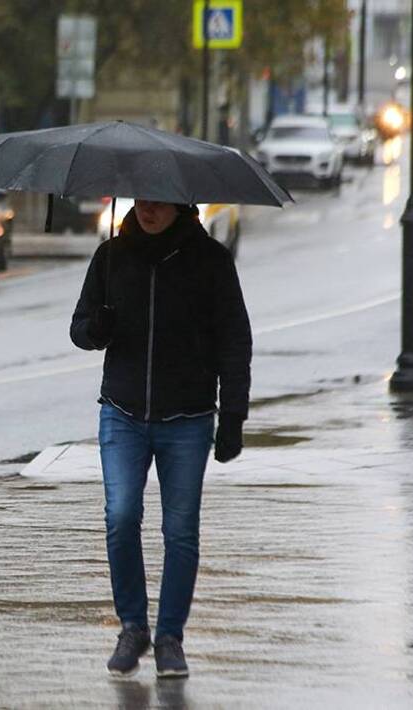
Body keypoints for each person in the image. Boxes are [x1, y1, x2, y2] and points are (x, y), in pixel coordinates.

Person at [69, 200, 252, 680]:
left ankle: (170, 637)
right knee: (121, 516)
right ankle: (133, 627)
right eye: (140, 201)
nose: (147, 210)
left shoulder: (210, 261)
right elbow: (79, 328)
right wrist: (97, 328)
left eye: (158, 203)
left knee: (181, 529)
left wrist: (232, 416)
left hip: (188, 417)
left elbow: (235, 339)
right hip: (123, 413)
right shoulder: (111, 256)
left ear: (179, 205)